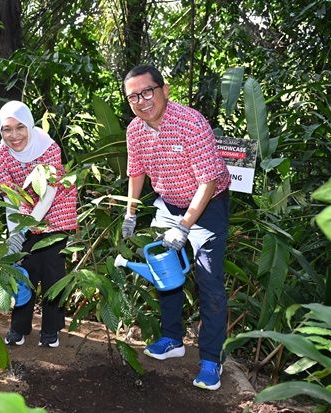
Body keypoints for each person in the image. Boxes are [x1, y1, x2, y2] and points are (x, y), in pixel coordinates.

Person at [121, 65, 231, 390]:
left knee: (209, 284)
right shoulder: (135, 131)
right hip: (168, 204)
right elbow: (136, 172)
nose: (141, 101)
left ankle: (211, 360)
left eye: (147, 91)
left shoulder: (190, 122)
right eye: (133, 97)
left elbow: (208, 181)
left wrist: (184, 227)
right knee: (164, 272)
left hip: (207, 206)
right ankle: (172, 338)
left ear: (164, 90)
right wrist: (130, 213)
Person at [0, 100, 78, 348]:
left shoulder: (49, 148)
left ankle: (51, 329)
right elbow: (10, 197)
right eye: (7, 129)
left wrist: (25, 227)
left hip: (55, 211)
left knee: (52, 271)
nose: (14, 135)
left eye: (20, 127)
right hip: (22, 213)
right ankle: (19, 327)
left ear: (29, 126)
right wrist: (15, 234)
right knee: (22, 271)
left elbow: (48, 194)